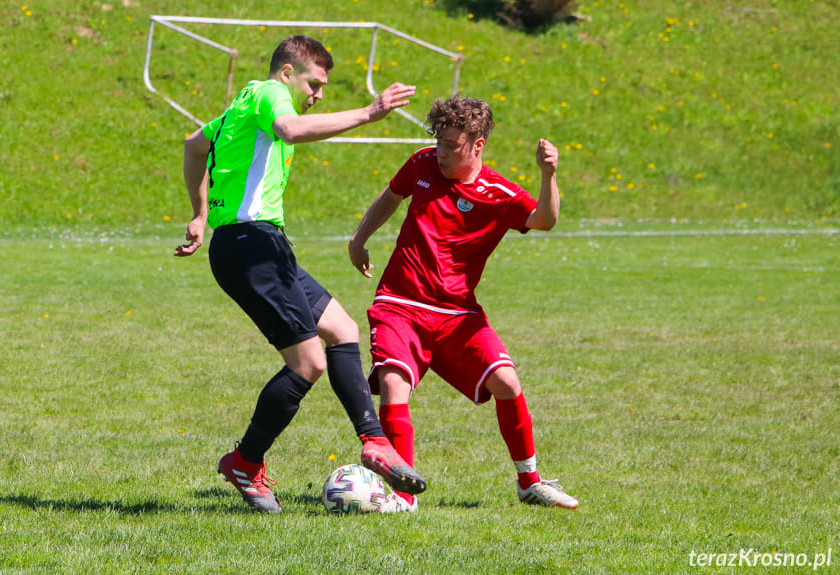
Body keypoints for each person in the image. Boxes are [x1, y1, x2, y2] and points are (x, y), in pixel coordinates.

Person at [174, 35, 426, 513]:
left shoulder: (238, 107)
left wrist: (200, 213)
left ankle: (374, 441)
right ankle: (245, 463)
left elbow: (193, 146)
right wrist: (369, 114)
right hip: (253, 246)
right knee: (308, 362)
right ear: (287, 73)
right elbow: (290, 130)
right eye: (315, 83)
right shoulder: (269, 94)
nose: (319, 94)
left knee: (342, 329)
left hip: (256, 244)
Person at [348, 96, 579, 512]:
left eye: (452, 145)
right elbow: (391, 195)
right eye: (439, 141)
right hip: (399, 302)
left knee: (507, 383)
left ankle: (530, 482)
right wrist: (359, 238)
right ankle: (402, 497)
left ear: (478, 145)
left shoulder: (499, 193)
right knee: (394, 386)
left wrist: (549, 176)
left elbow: (544, 220)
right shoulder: (421, 162)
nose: (441, 152)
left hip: (457, 315)